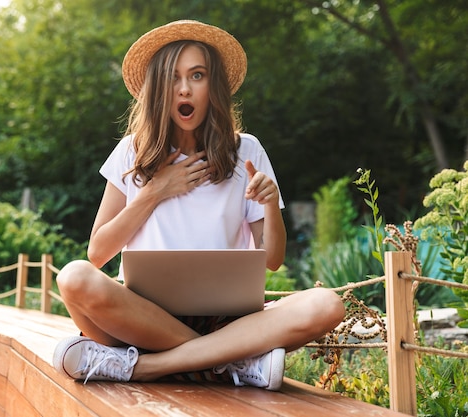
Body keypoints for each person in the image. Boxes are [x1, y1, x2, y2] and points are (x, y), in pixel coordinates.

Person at [52, 20, 345, 391]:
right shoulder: (132, 150)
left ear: (213, 86)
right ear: (159, 87)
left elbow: (272, 259)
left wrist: (270, 206)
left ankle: (144, 367)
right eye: (174, 77)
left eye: (197, 75)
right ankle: (234, 363)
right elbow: (97, 253)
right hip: (144, 318)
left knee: (326, 305)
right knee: (73, 277)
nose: (185, 88)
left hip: (229, 321)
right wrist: (156, 192)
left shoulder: (247, 150)